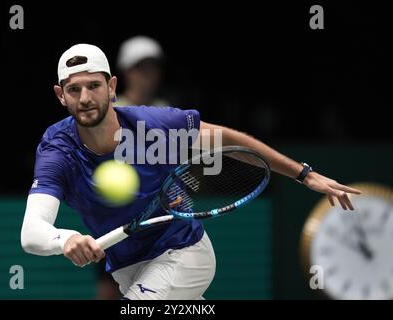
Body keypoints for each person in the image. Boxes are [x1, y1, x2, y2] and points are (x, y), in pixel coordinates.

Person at [20, 43, 361, 300]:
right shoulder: (57, 149)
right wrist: (67, 239)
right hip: (127, 267)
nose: (84, 98)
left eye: (93, 86)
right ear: (60, 95)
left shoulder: (153, 124)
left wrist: (304, 174)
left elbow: (228, 140)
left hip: (183, 252)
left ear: (111, 86)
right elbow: (32, 232)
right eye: (73, 89)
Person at [114, 35, 169, 107]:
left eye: (153, 66)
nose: (149, 73)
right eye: (141, 67)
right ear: (126, 71)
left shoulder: (166, 109)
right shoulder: (111, 110)